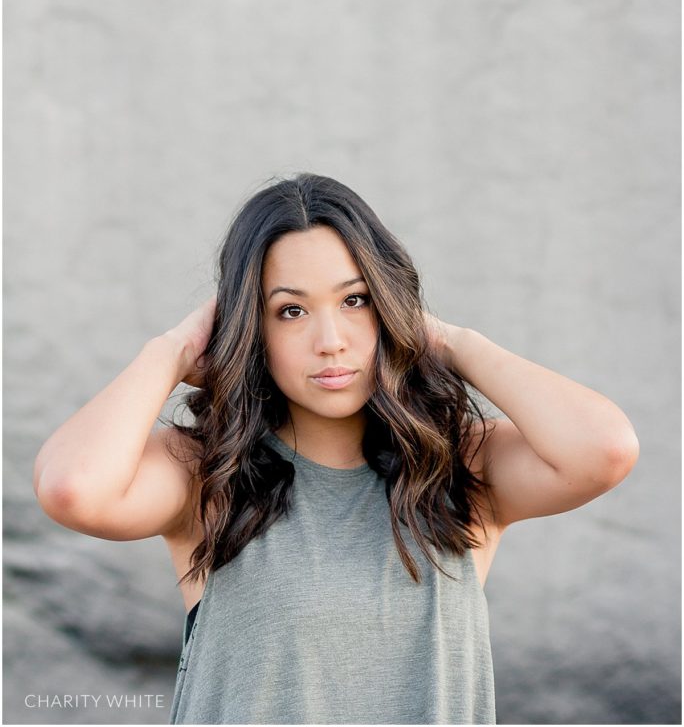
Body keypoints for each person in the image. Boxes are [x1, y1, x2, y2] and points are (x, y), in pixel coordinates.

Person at [33, 172, 640, 725]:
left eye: (356, 301)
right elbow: (72, 489)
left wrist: (451, 341)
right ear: (251, 327)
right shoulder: (207, 474)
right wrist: (169, 351)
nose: (330, 341)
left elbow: (605, 449)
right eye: (290, 311)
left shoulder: (458, 467)